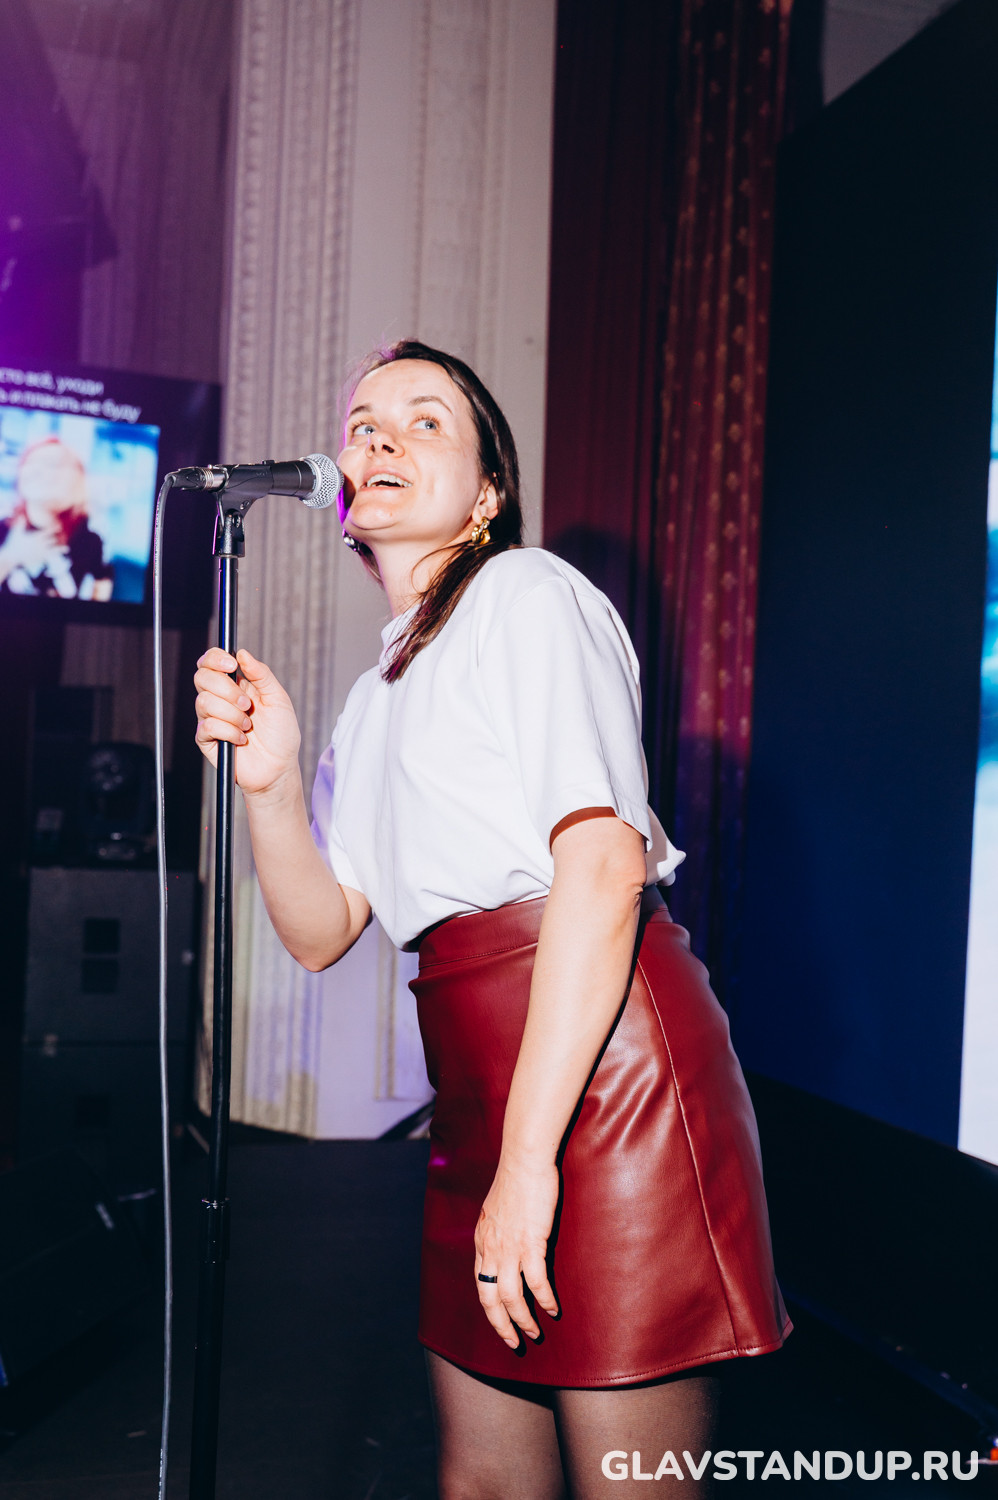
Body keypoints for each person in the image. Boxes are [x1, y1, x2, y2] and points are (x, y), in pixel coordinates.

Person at [193, 341, 790, 1498]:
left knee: (628, 1482)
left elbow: (600, 865)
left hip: (606, 1082)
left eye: (425, 420)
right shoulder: (373, 696)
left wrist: (530, 1164)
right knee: (485, 1481)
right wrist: (270, 786)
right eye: (363, 423)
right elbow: (321, 929)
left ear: (485, 495)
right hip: (476, 1094)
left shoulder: (525, 595)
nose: (379, 437)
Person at [0, 436, 114, 600]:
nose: (38, 470)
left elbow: (102, 593)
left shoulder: (91, 540)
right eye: (31, 462)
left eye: (54, 464)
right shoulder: (3, 529)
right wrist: (11, 556)